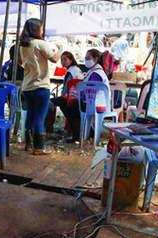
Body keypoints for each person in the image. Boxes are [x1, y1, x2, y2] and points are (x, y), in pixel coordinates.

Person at [18, 18, 61, 154]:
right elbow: (54, 58)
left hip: (27, 86)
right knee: (39, 117)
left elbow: (19, 62)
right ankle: (39, 148)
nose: (42, 30)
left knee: (30, 115)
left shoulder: (23, 45)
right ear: (37, 29)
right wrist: (60, 49)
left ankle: (28, 145)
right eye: (41, 28)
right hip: (41, 86)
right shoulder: (40, 43)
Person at [64, 49, 110, 142]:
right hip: (94, 103)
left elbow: (89, 92)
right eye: (85, 58)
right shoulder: (93, 71)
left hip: (96, 105)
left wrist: (77, 96)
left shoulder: (96, 73)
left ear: (96, 59)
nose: (86, 60)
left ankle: (79, 134)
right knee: (68, 104)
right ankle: (82, 132)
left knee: (71, 106)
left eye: (88, 58)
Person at [49, 51, 82, 136]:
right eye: (62, 59)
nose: (63, 61)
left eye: (65, 59)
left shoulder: (71, 71)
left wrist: (63, 97)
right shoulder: (76, 69)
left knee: (49, 103)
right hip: (75, 97)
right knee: (61, 105)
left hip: (71, 98)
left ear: (71, 60)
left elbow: (67, 88)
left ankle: (49, 128)